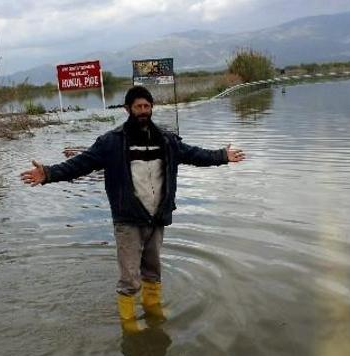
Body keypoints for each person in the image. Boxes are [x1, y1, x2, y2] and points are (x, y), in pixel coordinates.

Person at [20, 86, 245, 331]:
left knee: (153, 270)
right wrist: (49, 173)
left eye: (147, 106)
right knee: (129, 277)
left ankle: (153, 309)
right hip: (128, 219)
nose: (143, 111)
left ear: (152, 109)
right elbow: (80, 164)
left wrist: (222, 156)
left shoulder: (166, 140)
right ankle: (128, 324)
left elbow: (194, 154)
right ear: (128, 109)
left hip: (156, 216)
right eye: (138, 106)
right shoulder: (111, 142)